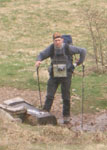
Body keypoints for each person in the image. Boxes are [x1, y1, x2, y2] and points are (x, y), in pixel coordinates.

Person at [35, 32, 86, 124]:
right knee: (50, 95)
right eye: (55, 40)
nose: (57, 42)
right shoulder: (51, 48)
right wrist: (38, 60)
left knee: (66, 97)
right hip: (54, 75)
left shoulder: (68, 48)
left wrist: (78, 63)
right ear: (53, 41)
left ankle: (66, 117)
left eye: (59, 40)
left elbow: (83, 51)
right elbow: (41, 54)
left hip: (66, 75)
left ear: (62, 40)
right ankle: (44, 114)